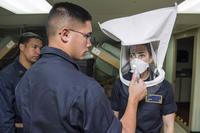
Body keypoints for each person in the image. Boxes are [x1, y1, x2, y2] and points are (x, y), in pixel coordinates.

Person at [15, 2, 147, 133]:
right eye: (87, 36)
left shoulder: (25, 79)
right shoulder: (86, 89)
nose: (89, 44)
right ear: (65, 34)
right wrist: (133, 99)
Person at [110, 43, 177, 133]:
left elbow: (168, 125)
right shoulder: (120, 84)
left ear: (150, 58)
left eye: (141, 55)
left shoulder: (164, 87)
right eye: (132, 56)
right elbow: (114, 118)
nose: (136, 60)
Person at [0, 32, 43, 133]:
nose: (38, 52)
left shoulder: (41, 72)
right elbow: (4, 114)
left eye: (40, 48)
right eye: (34, 47)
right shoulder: (7, 76)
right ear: (22, 47)